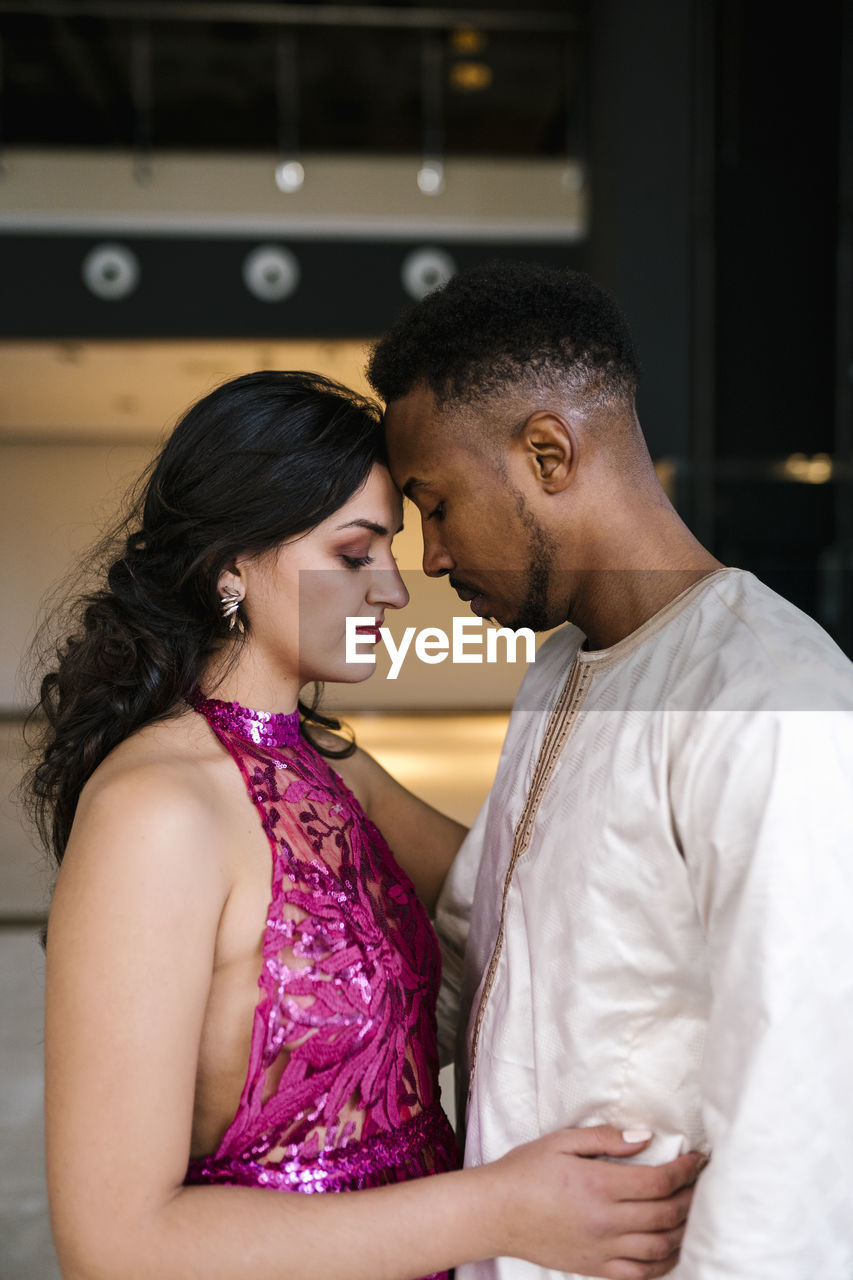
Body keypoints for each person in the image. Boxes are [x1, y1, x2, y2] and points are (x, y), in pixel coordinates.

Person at [28, 369, 701, 1280]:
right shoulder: (154, 813)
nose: (392, 588)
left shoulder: (328, 765)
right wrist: (497, 1207)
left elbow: (522, 901)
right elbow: (115, 1245)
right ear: (231, 564)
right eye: (355, 555)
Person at [367, 261, 853, 1279]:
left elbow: (800, 1109)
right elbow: (486, 942)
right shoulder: (558, 670)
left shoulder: (770, 693)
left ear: (548, 451)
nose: (432, 554)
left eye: (436, 503)